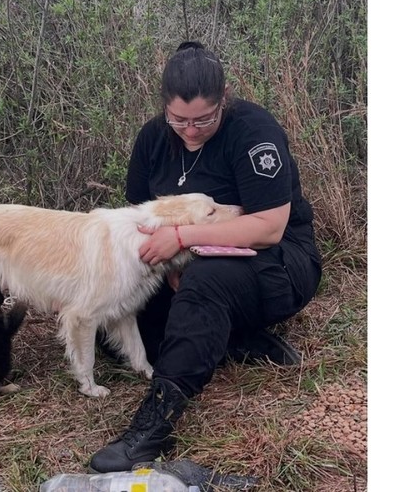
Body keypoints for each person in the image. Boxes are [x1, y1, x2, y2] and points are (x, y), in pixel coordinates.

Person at [89, 41, 322, 473]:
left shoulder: (254, 132)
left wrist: (184, 241)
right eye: (179, 120)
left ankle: (154, 425)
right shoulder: (152, 139)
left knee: (206, 282)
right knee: (108, 325)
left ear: (224, 99)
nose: (191, 131)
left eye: (204, 119)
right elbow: (140, 219)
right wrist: (168, 258)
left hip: (276, 262)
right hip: (183, 263)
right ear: (164, 107)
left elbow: (269, 227)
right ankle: (234, 341)